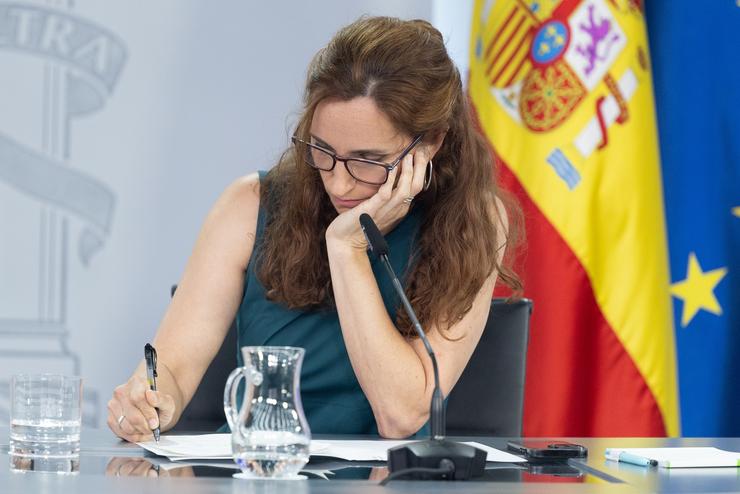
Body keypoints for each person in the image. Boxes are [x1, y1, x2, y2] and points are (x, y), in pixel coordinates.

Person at [107, 15, 520, 443]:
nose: (339, 183)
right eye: (321, 150)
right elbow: (171, 369)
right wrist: (149, 400)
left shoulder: (474, 223)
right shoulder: (250, 204)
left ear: (431, 142)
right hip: (262, 473)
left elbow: (401, 416)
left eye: (368, 161)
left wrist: (348, 249)